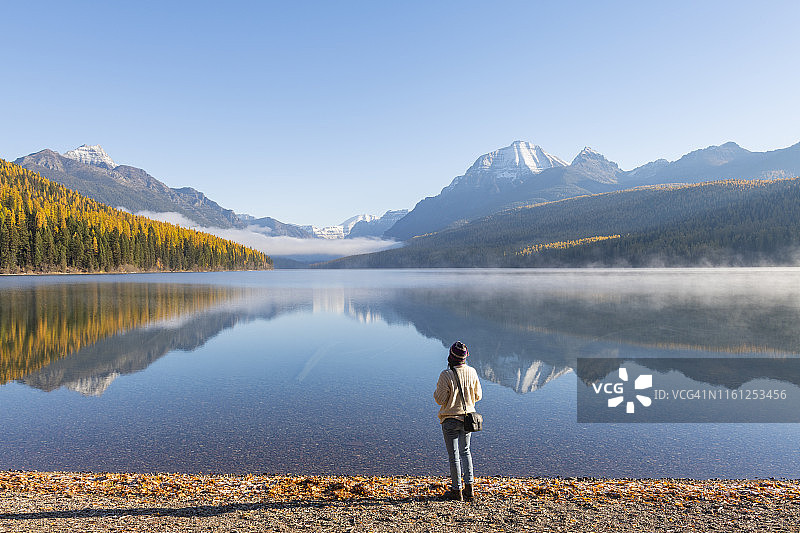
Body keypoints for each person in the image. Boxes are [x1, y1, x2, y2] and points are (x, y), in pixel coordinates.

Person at [434, 341, 483, 502]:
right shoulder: (472, 372)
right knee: (466, 452)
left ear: (451, 357)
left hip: (450, 419)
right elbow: (478, 396)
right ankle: (470, 488)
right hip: (468, 419)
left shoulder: (446, 374)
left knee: (453, 456)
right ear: (465, 357)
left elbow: (440, 399)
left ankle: (457, 490)